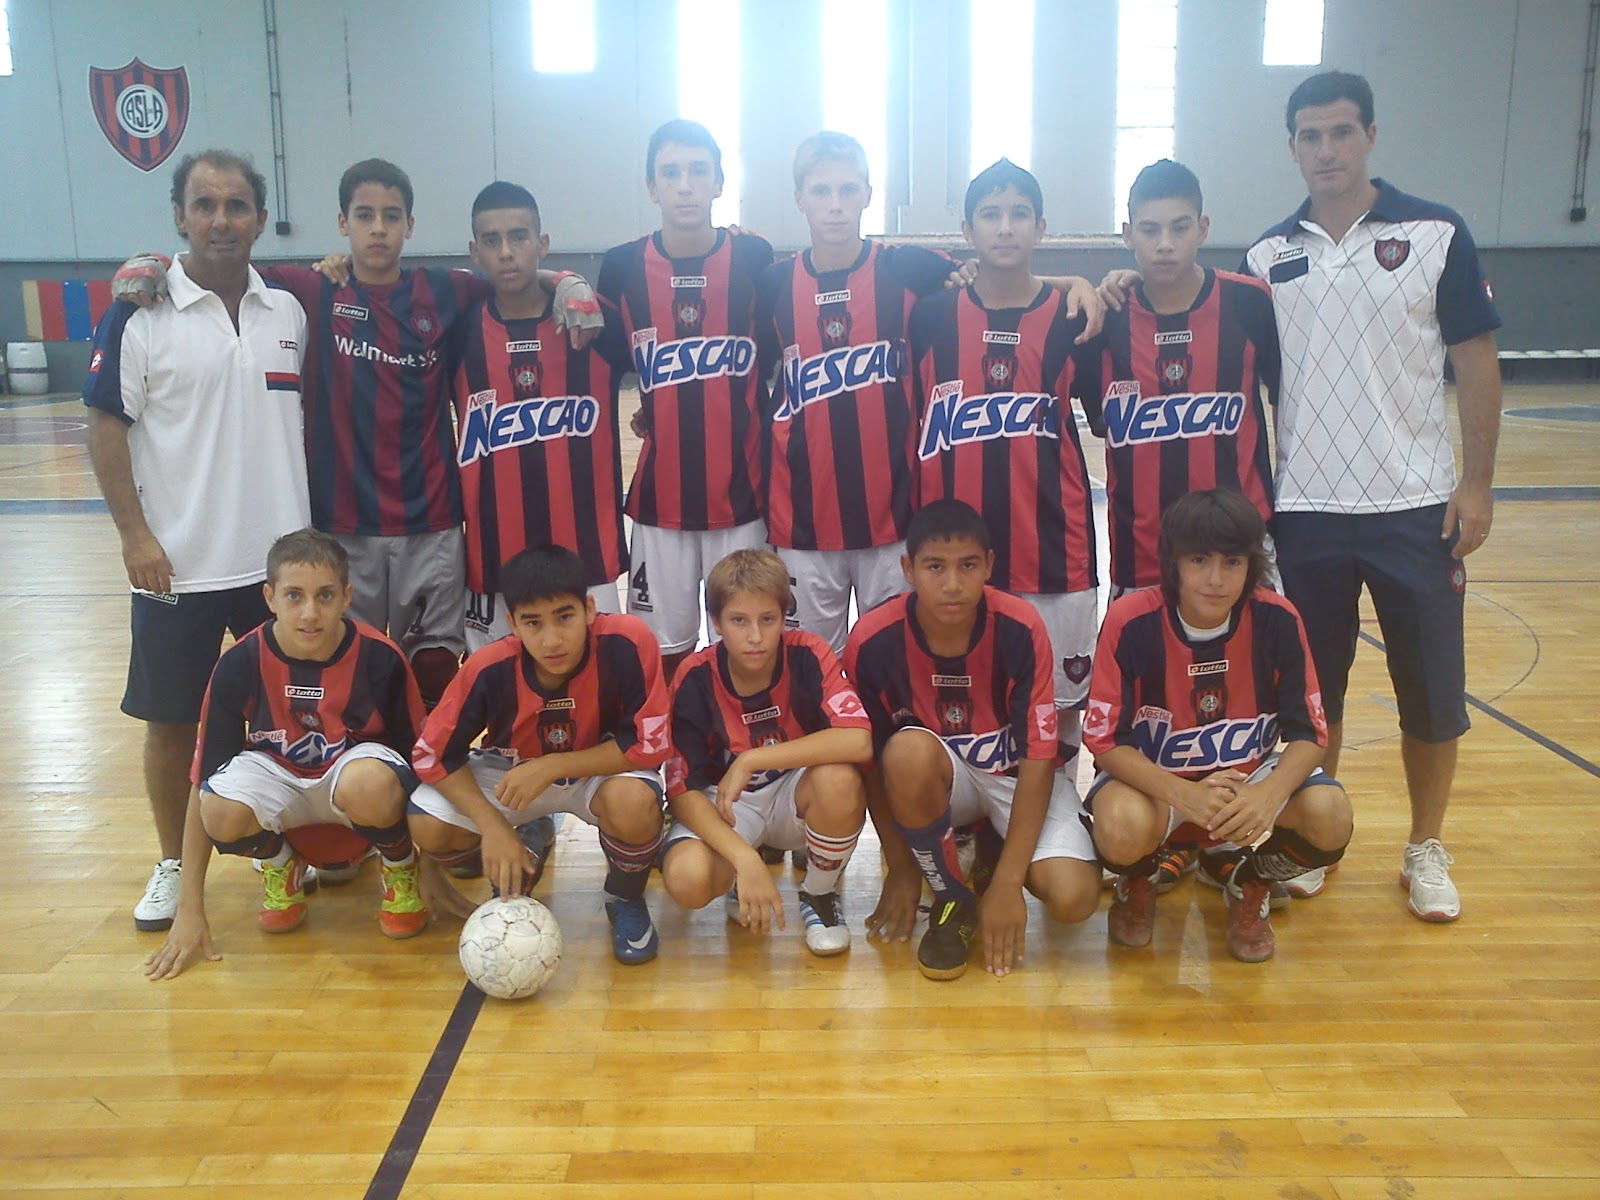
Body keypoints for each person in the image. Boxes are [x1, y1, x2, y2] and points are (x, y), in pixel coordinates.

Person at [1242, 71, 1503, 922]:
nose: (1326, 151)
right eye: (1310, 137)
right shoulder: (1265, 259)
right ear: (1292, 148)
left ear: (1371, 137)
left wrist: (1477, 484)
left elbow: (1475, 361)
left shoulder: (1435, 232)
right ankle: (1320, 836)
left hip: (1416, 507)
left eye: (1341, 133)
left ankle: (1425, 846)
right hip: (1306, 512)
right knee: (1317, 698)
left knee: (1431, 694)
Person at [755, 132, 1106, 653]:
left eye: (847, 190)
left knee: (892, 665)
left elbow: (1000, 276)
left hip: (895, 519)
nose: (834, 204)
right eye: (821, 190)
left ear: (869, 194)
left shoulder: (910, 268)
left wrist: (1076, 282)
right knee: (809, 669)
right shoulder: (770, 284)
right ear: (798, 198)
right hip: (802, 521)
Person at [85, 149, 311, 932]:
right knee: (172, 721)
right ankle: (173, 864)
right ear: (180, 215)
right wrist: (133, 535)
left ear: (259, 217)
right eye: (205, 204)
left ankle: (291, 844)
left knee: (288, 715)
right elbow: (105, 427)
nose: (222, 219)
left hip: (279, 573)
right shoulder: (138, 313)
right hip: (175, 565)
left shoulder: (288, 312)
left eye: (238, 204)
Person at [1077, 158, 1285, 897]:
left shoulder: (1251, 305)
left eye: (1178, 227)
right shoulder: (1102, 324)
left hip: (1240, 556)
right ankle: (1161, 836)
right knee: (1149, 710)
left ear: (1204, 227)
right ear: (1126, 234)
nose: (1164, 243)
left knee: (1248, 701)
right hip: (1142, 553)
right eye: (1148, 229)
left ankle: (1234, 836)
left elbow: (1290, 405)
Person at [142, 529, 445, 979]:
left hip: (354, 788)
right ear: (270, 597)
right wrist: (190, 909)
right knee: (218, 808)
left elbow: (419, 770)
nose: (309, 613)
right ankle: (281, 863)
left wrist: (432, 870)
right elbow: (202, 778)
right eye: (294, 596)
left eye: (324, 596)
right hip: (280, 784)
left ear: (347, 596)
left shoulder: (380, 659)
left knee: (374, 783)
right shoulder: (240, 662)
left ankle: (399, 869)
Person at [1084, 489, 1353, 962]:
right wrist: (1184, 795)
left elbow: (1310, 735)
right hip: (1161, 789)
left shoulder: (1277, 618)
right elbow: (1105, 744)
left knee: (1330, 815)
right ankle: (1139, 879)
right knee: (1119, 826)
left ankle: (1250, 880)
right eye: (1199, 560)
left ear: (1251, 565)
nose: (1215, 578)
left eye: (1232, 562)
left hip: (1244, 787)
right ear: (1173, 563)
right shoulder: (1130, 621)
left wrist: (1266, 797)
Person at [844, 500, 1101, 981]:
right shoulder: (872, 640)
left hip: (1014, 779)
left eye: (967, 566)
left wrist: (1008, 883)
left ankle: (991, 855)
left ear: (989, 565)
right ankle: (951, 898)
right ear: (908, 569)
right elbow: (872, 765)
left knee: (1074, 898)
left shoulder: (1022, 627)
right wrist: (900, 867)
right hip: (938, 781)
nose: (952, 583)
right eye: (934, 567)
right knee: (904, 752)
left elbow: (1040, 758)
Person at [909, 159, 1099, 773]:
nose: (1005, 227)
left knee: (1062, 699)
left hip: (1054, 544)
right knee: (967, 689)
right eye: (991, 214)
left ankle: (1059, 804)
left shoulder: (1074, 317)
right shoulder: (931, 318)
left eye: (1019, 214)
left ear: (1041, 227)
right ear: (968, 229)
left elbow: (1103, 417)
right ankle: (968, 815)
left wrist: (1098, 282)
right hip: (959, 551)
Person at [407, 545, 673, 964]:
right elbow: (430, 758)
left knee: (637, 804)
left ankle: (625, 896)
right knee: (427, 824)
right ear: (512, 623)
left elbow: (651, 745)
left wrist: (553, 765)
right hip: (512, 774)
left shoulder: (628, 641)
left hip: (594, 770)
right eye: (533, 623)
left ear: (589, 608)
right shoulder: (488, 666)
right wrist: (493, 826)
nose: (551, 640)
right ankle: (523, 841)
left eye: (564, 617)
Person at [598, 119, 775, 677]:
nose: (684, 185)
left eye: (698, 172)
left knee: (748, 646)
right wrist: (563, 280)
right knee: (661, 653)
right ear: (651, 187)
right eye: (670, 173)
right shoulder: (621, 266)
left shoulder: (754, 258)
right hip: (659, 501)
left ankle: (743, 748)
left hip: (741, 499)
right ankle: (670, 760)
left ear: (719, 182)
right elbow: (601, 359)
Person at [659, 549, 872, 955]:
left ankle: (819, 894)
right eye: (739, 621)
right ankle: (744, 875)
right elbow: (681, 790)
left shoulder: (808, 652)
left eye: (767, 620)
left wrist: (752, 759)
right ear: (717, 623)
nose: (755, 636)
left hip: (795, 791)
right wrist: (744, 859)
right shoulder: (694, 676)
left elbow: (858, 739)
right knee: (687, 880)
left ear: (784, 617)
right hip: (731, 806)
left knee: (840, 780)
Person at [451, 180, 627, 652]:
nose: (507, 252)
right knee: (502, 694)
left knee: (599, 684)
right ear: (475, 251)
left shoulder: (595, 322)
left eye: (520, 237)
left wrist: (568, 280)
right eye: (492, 241)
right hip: (493, 563)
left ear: (542, 244)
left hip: (587, 557)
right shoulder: (457, 333)